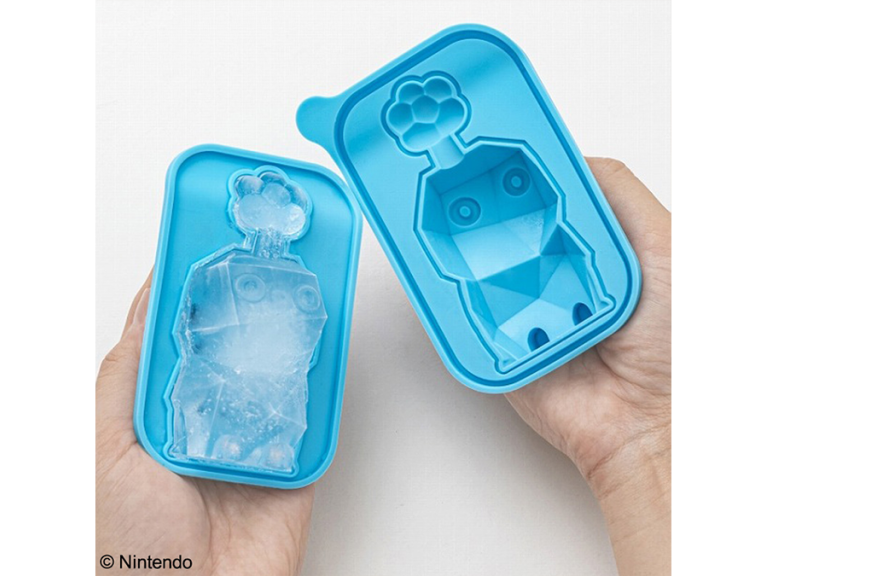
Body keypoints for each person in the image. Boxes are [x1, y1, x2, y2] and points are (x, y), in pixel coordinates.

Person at [95, 157, 672, 575]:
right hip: (220, 409)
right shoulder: (221, 273)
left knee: (273, 416)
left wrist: (648, 430)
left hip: (277, 412)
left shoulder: (291, 280)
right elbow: (199, 330)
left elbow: (305, 334)